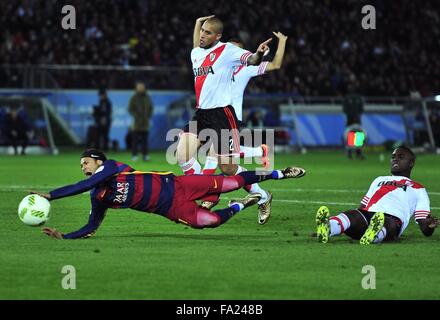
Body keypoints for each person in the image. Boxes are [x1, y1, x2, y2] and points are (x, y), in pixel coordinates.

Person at [32, 149, 306, 239]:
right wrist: (65, 236)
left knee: (231, 181)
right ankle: (242, 204)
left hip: (178, 185)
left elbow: (83, 185)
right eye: (81, 165)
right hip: (169, 209)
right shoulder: (98, 197)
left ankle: (279, 173)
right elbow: (92, 226)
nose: (83, 167)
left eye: (85, 163)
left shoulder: (112, 168)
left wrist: (51, 196)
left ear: (97, 161)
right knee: (210, 222)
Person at [198, 32, 289, 223]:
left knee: (216, 159)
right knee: (226, 166)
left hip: (230, 120)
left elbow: (276, 65)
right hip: (213, 117)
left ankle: (208, 199)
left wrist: (282, 42)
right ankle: (262, 195)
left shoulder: (246, 69)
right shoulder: (216, 69)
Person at [315, 146, 438, 245]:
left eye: (401, 157)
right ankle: (329, 227)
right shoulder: (379, 179)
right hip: (368, 214)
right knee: (352, 215)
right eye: (393, 157)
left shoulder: (418, 188)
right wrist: (352, 222)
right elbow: (362, 206)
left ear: (411, 163)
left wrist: (430, 225)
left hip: (393, 218)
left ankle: (374, 236)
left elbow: (424, 227)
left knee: (387, 223)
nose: (395, 159)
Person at [128, 82, 153, 161]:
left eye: (142, 87)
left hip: (145, 123)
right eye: (139, 87)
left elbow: (151, 108)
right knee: (135, 141)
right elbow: (130, 108)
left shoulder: (147, 97)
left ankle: (145, 155)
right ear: (136, 88)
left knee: (145, 141)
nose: (140, 88)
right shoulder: (134, 97)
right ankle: (134, 155)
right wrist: (136, 115)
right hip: (136, 123)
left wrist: (148, 115)